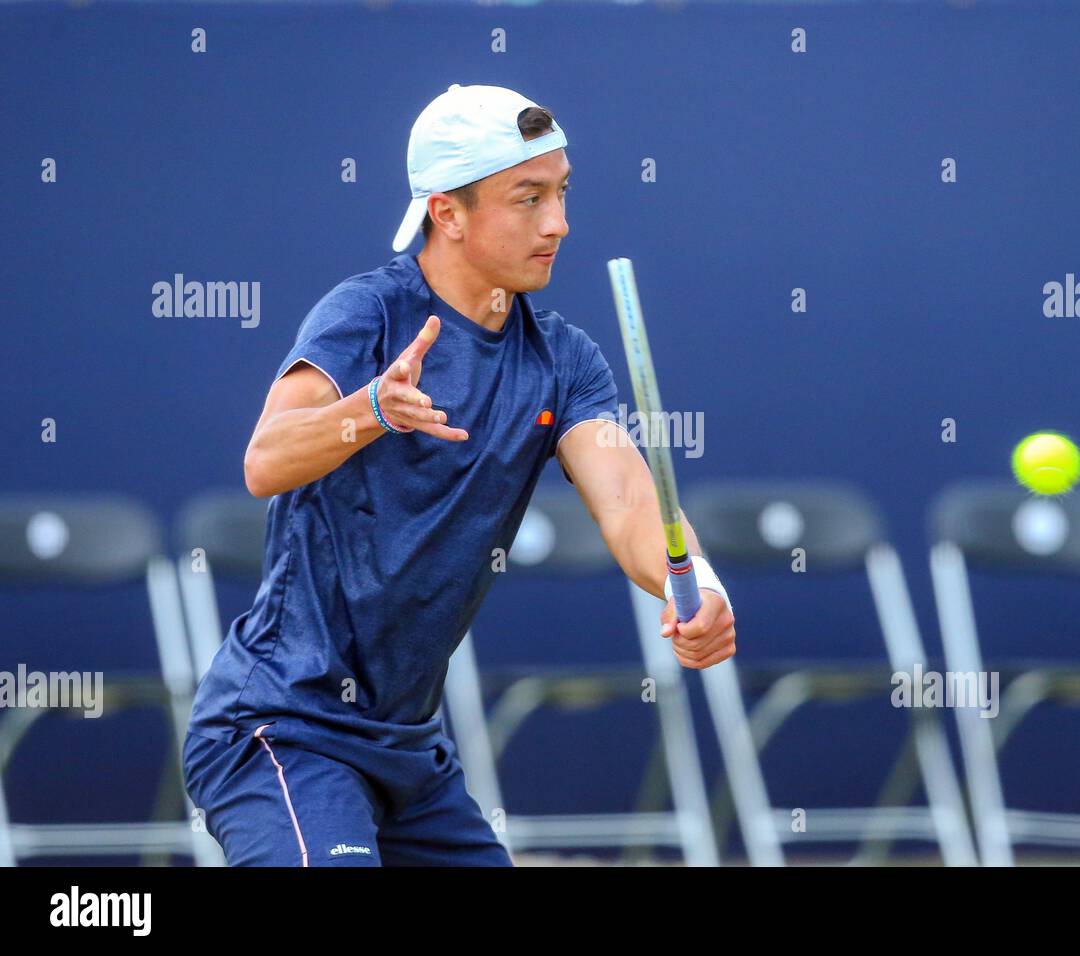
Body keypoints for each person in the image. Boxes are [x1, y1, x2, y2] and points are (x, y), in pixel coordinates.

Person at [181, 84, 737, 867]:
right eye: (528, 197)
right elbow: (265, 459)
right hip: (281, 730)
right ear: (448, 213)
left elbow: (628, 501)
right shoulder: (365, 316)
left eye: (563, 193)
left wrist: (701, 584)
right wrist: (372, 407)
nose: (559, 223)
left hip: (409, 756)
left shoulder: (565, 361)